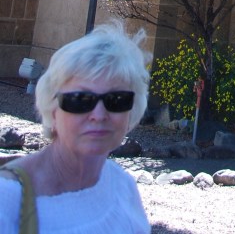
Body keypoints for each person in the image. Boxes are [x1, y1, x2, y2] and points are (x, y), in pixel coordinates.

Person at [0, 21, 151, 233]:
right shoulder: (8, 200)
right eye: (80, 99)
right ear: (53, 109)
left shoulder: (123, 186)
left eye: (116, 99)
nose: (99, 115)